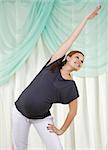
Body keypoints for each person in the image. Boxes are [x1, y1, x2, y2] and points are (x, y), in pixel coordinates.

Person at [12, 5, 101, 150]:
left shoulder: (70, 86)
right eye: (77, 57)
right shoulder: (54, 63)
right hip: (19, 112)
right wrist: (85, 19)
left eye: (82, 62)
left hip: (42, 119)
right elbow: (71, 40)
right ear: (68, 57)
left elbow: (73, 111)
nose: (80, 61)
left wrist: (61, 130)